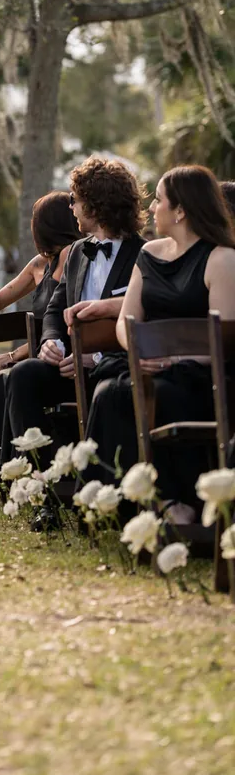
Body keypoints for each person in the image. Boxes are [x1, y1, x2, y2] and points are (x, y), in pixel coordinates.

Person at [84, 166, 235, 522]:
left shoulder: (222, 259)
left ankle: (170, 502)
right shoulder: (148, 254)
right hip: (147, 366)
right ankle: (115, 502)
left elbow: (225, 338)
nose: (152, 208)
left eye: (160, 200)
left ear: (181, 210)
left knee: (133, 394)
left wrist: (172, 358)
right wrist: (136, 351)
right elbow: (127, 320)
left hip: (203, 376)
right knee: (109, 389)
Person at [4, 157, 146, 521]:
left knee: (107, 391)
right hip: (67, 366)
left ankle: (98, 495)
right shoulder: (78, 253)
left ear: (96, 205)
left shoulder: (143, 256)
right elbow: (54, 310)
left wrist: (94, 358)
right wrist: (53, 343)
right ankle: (47, 486)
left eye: (76, 199)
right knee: (23, 376)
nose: (72, 206)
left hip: (114, 367)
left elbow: (142, 323)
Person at [0, 191, 82, 462]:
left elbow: (56, 328)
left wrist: (11, 356)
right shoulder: (40, 264)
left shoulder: (74, 256)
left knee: (6, 378)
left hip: (62, 355)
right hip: (39, 354)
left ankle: (23, 466)